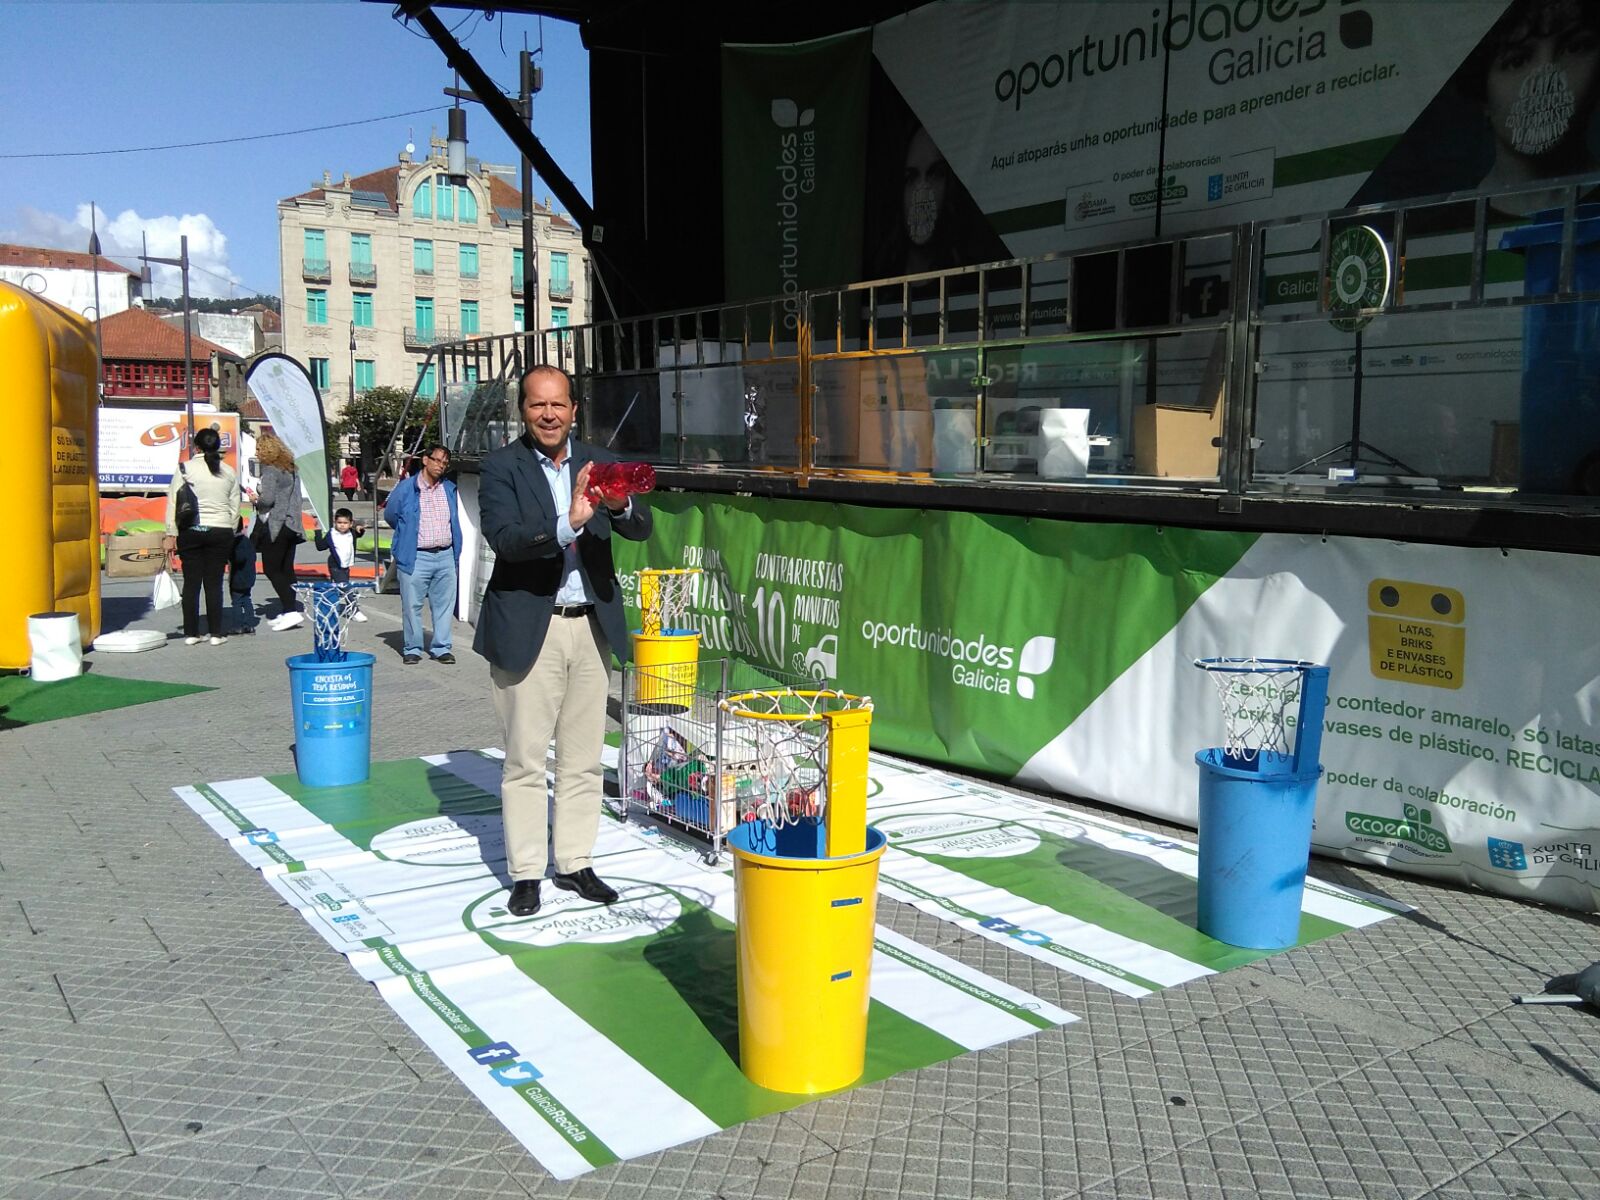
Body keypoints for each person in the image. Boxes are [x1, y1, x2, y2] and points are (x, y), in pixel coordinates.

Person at [475, 365, 654, 917]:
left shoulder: (599, 460)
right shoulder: (501, 467)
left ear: (574, 409)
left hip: (591, 625)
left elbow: (641, 525)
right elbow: (504, 539)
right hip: (533, 626)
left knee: (581, 759)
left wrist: (619, 502)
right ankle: (526, 871)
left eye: (558, 405)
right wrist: (567, 522)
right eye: (536, 405)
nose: (548, 414)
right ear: (522, 410)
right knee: (526, 759)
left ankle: (575, 862)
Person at [161, 426, 240, 646]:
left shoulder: (185, 469)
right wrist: (230, 529)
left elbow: (173, 502)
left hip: (192, 530)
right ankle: (216, 633)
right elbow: (234, 508)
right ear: (218, 446)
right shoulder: (228, 472)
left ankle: (191, 633)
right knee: (214, 583)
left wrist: (171, 532)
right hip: (221, 530)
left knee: (192, 582)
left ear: (196, 446)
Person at [383, 444, 460, 664]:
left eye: (445, 463)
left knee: (444, 605)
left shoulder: (449, 488)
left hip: (445, 555)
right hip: (416, 556)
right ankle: (413, 648)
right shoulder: (406, 488)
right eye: (437, 460)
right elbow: (391, 515)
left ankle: (441, 648)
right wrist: (407, 534)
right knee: (411, 605)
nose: (440, 466)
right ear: (425, 460)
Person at [253, 432, 306, 631]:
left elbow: (267, 500)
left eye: (258, 449)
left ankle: (291, 611)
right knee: (286, 568)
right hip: (292, 524)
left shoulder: (270, 470)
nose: (256, 453)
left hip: (276, 524)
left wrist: (256, 500)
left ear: (266, 450)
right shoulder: (290, 469)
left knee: (271, 568)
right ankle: (288, 610)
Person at [313, 508, 369, 623]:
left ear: (350, 523)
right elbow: (320, 546)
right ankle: (354, 610)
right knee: (346, 587)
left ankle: (331, 606)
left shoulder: (352, 533)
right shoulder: (331, 534)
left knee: (339, 587)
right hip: (335, 565)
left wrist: (360, 529)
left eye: (345, 523)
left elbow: (359, 533)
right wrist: (317, 531)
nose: (342, 526)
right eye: (339, 523)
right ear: (335, 522)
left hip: (346, 565)